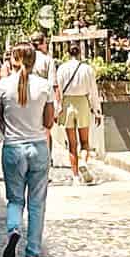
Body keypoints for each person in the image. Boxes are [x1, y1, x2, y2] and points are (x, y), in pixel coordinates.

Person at [0, 43, 56, 257]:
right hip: (38, 146)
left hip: (13, 147)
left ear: (13, 60)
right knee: (37, 203)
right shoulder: (44, 86)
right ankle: (33, 256)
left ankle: (13, 229)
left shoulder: (2, 86)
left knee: (15, 199)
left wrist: (8, 128)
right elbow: (49, 122)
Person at [54, 42, 100, 183]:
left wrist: (58, 109)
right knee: (85, 141)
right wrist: (97, 110)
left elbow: (58, 90)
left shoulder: (62, 68)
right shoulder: (87, 69)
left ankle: (75, 177)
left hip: (67, 104)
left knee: (72, 144)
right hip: (83, 103)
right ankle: (84, 162)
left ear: (68, 53)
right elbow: (93, 91)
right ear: (80, 52)